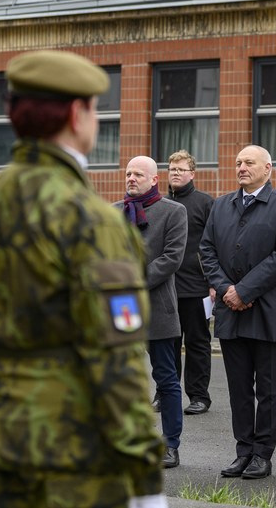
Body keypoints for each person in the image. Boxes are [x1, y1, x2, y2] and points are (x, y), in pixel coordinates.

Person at [0, 50, 165, 507]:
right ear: (76, 114)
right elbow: (117, 360)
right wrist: (145, 479)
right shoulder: (91, 220)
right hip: (74, 459)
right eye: (94, 108)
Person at [200, 145, 276, 480]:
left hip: (266, 312)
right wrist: (227, 289)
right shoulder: (221, 205)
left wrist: (243, 291)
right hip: (231, 312)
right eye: (238, 162)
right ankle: (243, 451)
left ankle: (262, 455)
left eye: (249, 162)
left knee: (266, 389)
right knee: (238, 387)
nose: (241, 167)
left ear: (267, 168)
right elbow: (207, 249)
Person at [116, 155, 188, 469]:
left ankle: (170, 445)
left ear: (154, 178)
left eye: (138, 174)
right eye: (128, 173)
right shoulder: (113, 212)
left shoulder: (174, 211)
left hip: (157, 305)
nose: (131, 178)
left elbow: (172, 258)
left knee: (166, 379)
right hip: (122, 308)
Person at [166, 149, 216, 415]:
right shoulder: (160, 204)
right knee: (167, 344)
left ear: (192, 174)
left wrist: (213, 283)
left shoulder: (205, 203)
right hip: (166, 289)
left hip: (198, 287)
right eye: (172, 169)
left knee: (197, 344)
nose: (175, 173)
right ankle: (166, 394)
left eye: (180, 169)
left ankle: (199, 396)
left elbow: (215, 245)